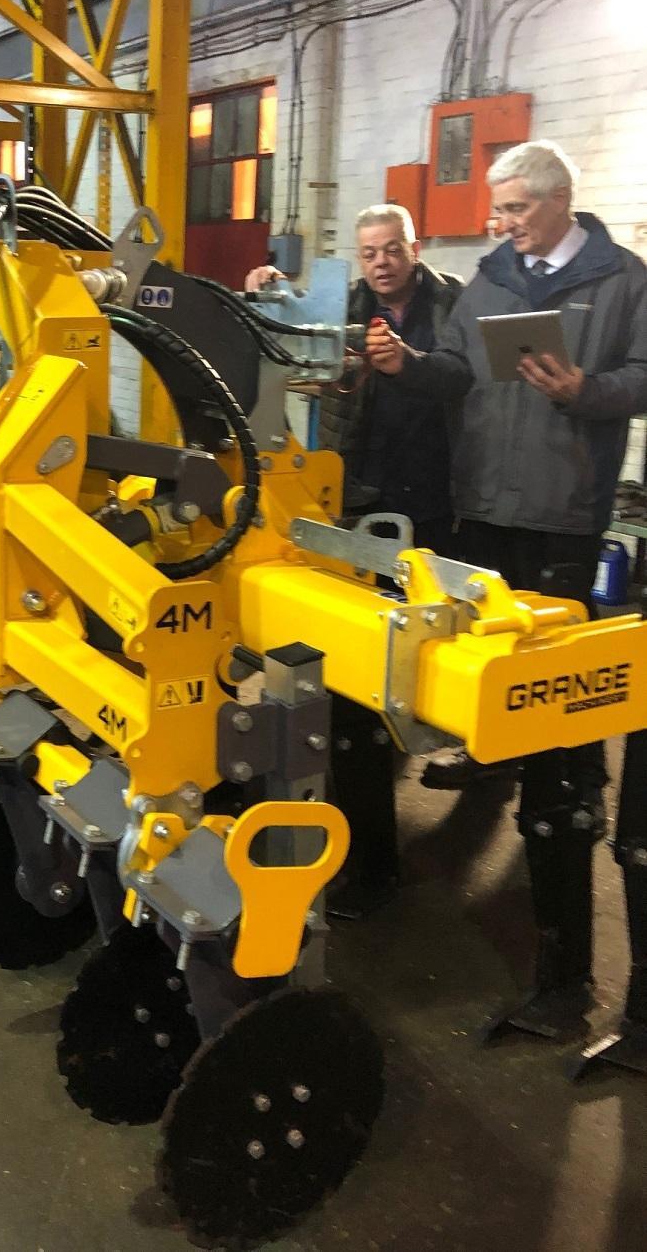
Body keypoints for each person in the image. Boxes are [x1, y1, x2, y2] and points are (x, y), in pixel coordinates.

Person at [366, 139, 647, 1035]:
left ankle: (566, 944)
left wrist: (586, 388)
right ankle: (508, 784)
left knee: (557, 721)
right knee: (492, 686)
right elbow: (457, 370)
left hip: (561, 518)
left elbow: (643, 379)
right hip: (481, 511)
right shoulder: (487, 281)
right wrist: (407, 366)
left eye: (515, 207)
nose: (498, 222)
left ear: (560, 201)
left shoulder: (622, 282)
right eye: (497, 208)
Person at [248, 205, 465, 912]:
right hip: (352, 503)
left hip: (432, 506)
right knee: (356, 683)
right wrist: (269, 294)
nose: (380, 261)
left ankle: (437, 785)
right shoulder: (347, 304)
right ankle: (367, 848)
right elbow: (294, 344)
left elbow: (466, 381)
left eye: (391, 248)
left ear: (415, 246)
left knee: (419, 667)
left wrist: (411, 364)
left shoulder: (451, 303)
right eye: (369, 250)